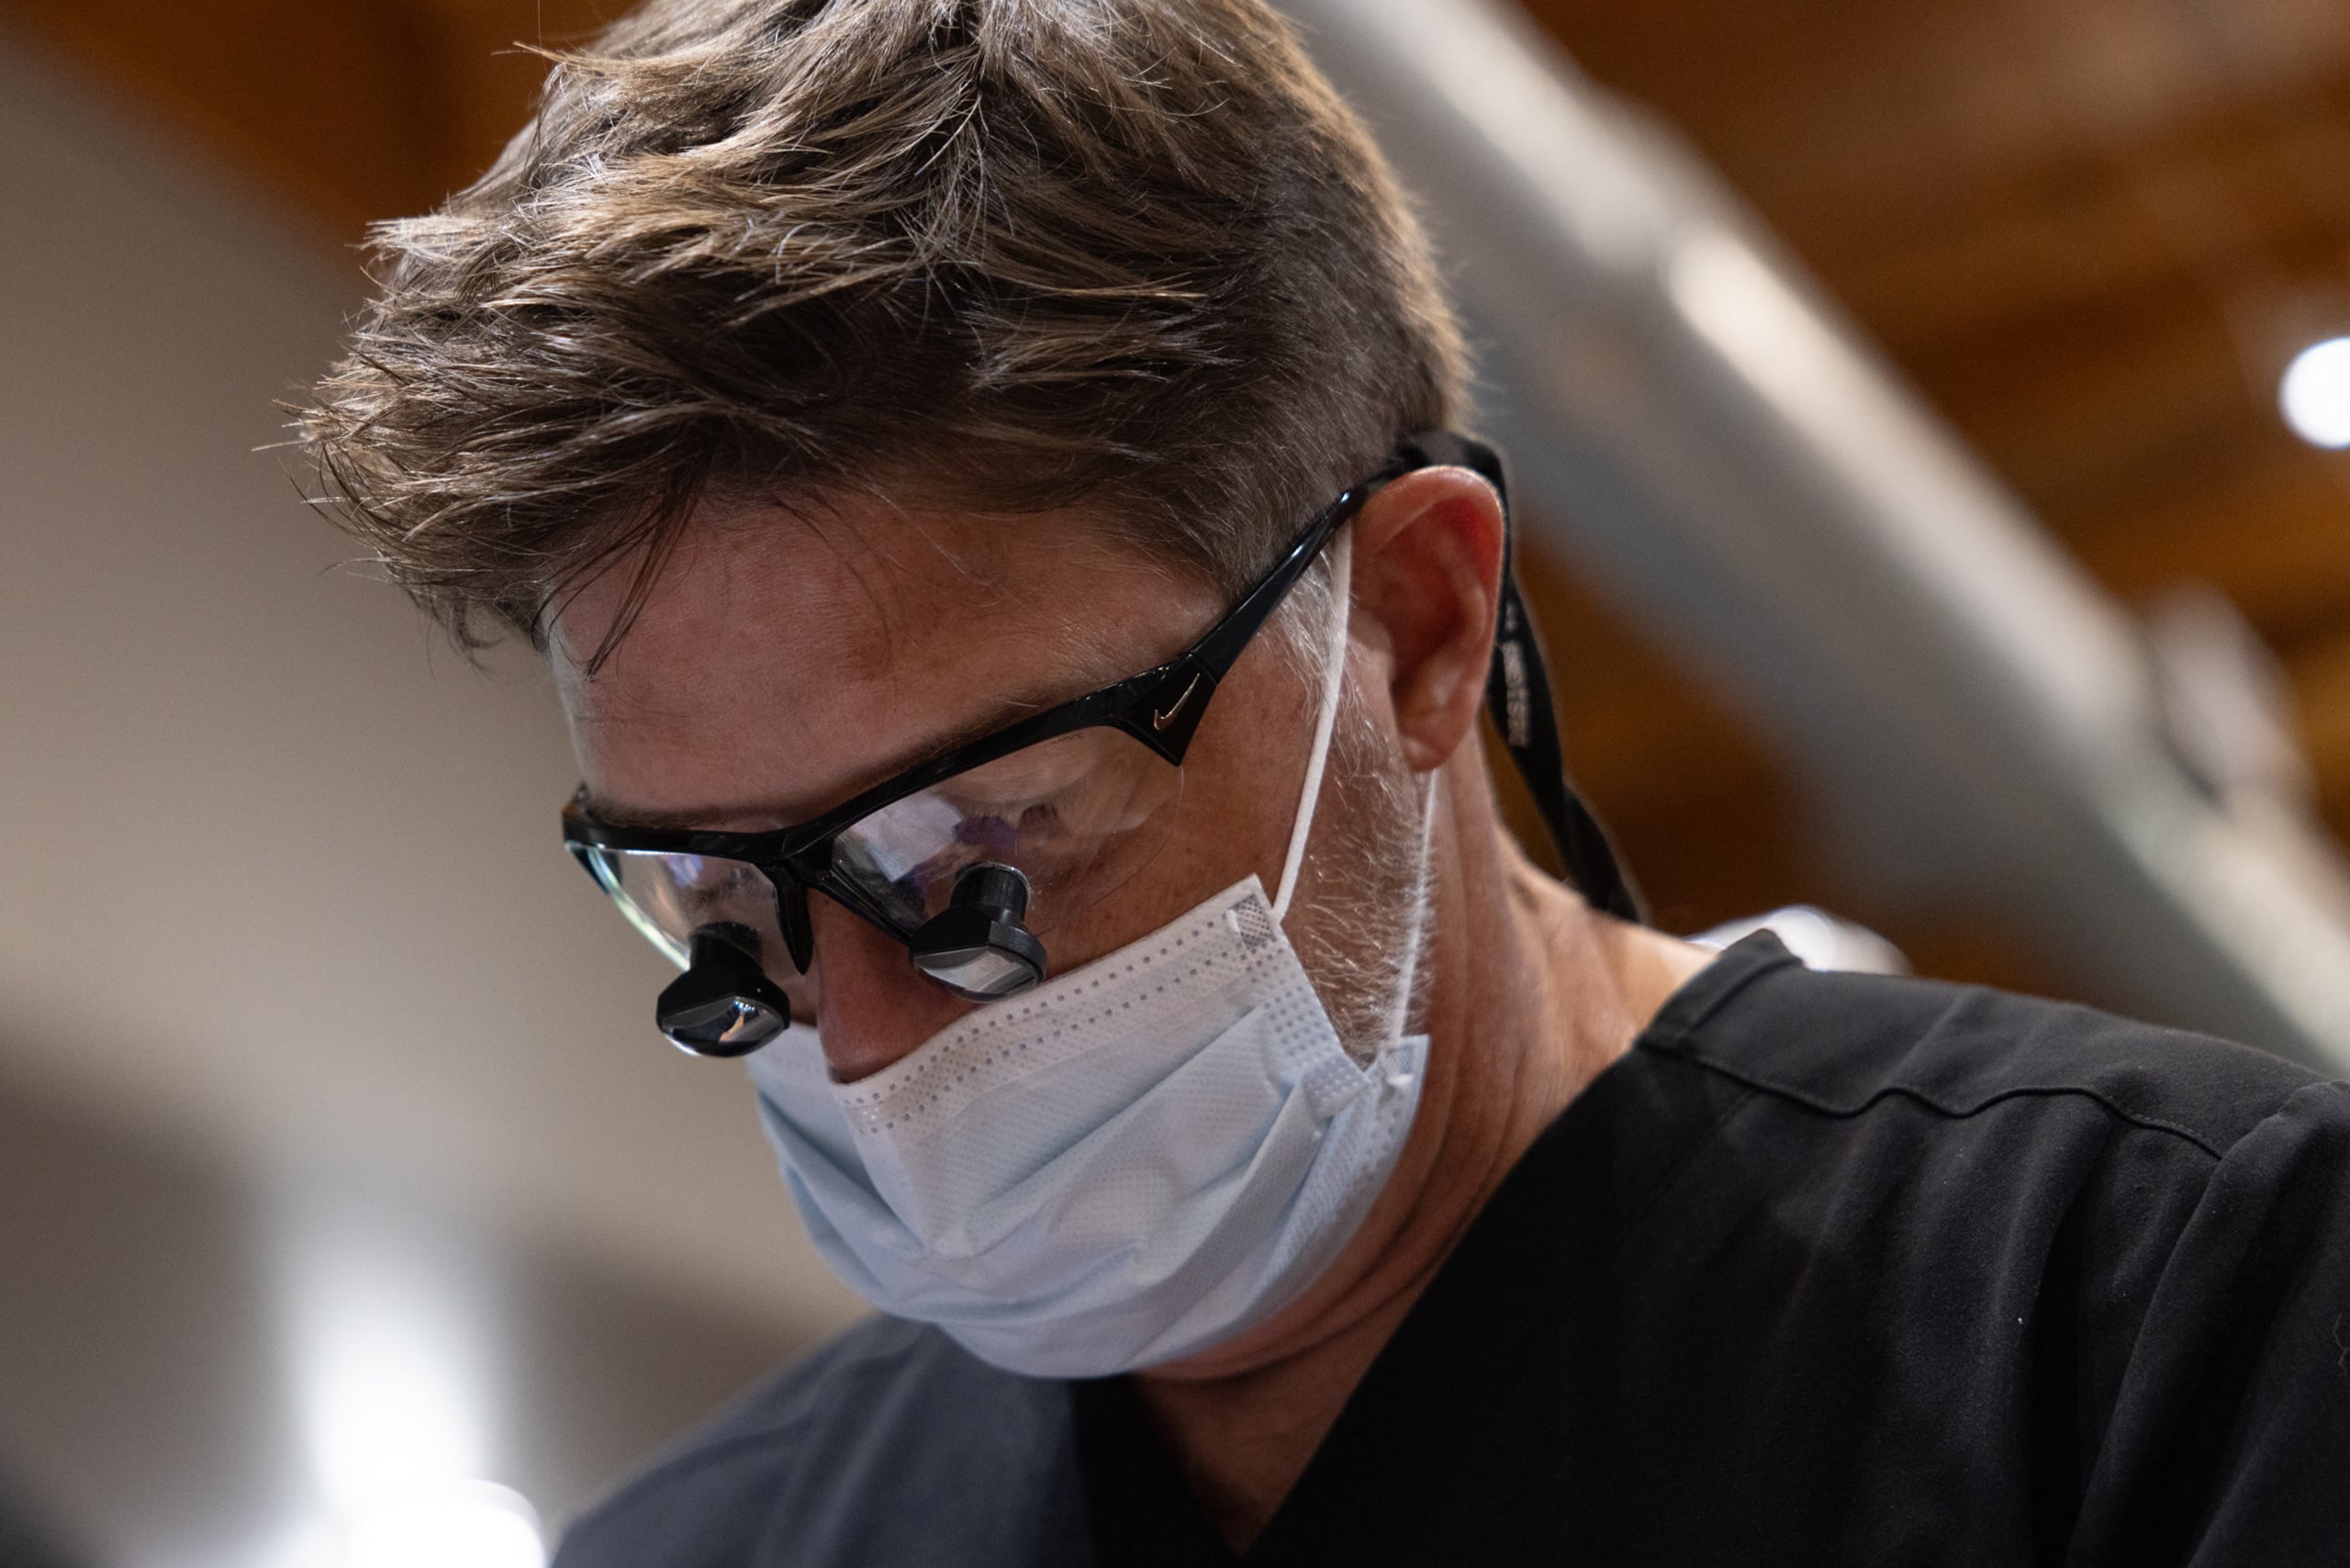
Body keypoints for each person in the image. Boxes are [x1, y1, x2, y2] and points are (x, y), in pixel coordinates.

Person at [299, 0, 2350, 1561]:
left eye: (983, 844)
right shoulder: (711, 1544)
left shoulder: (2166, 1318)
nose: (870, 1048)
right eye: (727, 909)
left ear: (1418, 627)